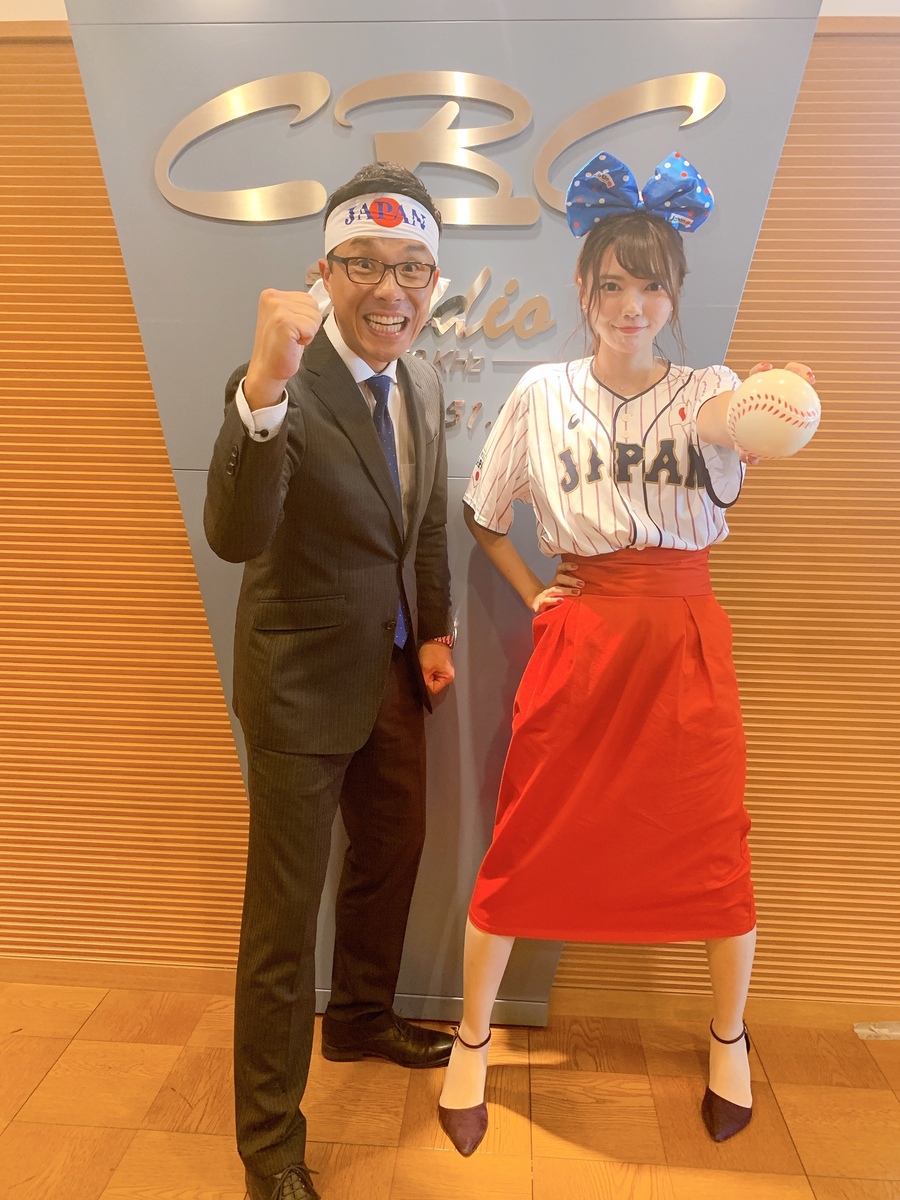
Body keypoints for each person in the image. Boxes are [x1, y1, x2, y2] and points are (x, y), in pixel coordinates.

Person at [436, 150, 816, 1155]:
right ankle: (472, 1040)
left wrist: (778, 398)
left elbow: (745, 422)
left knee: (712, 841)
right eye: (612, 284)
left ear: (674, 295)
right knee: (525, 837)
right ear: (583, 289)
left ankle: (728, 1037)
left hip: (685, 641)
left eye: (651, 286)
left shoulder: (709, 390)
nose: (631, 306)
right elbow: (484, 514)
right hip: (584, 639)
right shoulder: (542, 393)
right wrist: (536, 595)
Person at [205, 162, 456, 1200]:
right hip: (301, 682)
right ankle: (269, 1146)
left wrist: (434, 633)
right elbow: (236, 535)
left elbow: (423, 523)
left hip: (393, 671)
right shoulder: (286, 379)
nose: (389, 288)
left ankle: (358, 1017)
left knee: (394, 851)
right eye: (364, 263)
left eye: (411, 267)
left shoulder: (424, 380)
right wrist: (261, 391)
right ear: (325, 271)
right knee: (282, 920)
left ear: (433, 281)